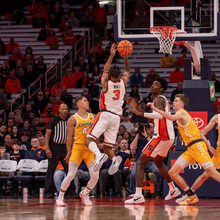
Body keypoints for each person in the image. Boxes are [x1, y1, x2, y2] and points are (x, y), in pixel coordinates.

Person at [149, 94, 220, 206]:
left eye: (176, 101)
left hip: (198, 147)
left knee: (212, 172)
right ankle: (190, 195)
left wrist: (155, 109)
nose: (173, 102)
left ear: (181, 104)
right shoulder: (182, 115)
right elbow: (197, 131)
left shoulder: (181, 112)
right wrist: (200, 142)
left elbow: (171, 118)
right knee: (172, 172)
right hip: (191, 148)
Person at [125, 77, 180, 204]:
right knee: (158, 162)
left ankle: (138, 195)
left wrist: (140, 114)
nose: (152, 85)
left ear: (161, 89)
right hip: (168, 137)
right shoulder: (159, 100)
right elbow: (154, 116)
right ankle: (172, 189)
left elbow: (159, 115)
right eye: (153, 83)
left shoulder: (158, 99)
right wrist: (137, 108)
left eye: (155, 84)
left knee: (139, 163)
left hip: (161, 136)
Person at [86, 43, 130, 176]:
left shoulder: (107, 84)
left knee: (89, 139)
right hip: (117, 118)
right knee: (107, 146)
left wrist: (111, 56)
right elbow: (127, 71)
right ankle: (115, 159)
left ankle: (98, 156)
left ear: (111, 75)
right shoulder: (123, 83)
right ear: (120, 76)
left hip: (105, 114)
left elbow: (105, 71)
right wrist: (126, 58)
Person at [56, 96, 99, 206]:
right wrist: (69, 152)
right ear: (79, 104)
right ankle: (60, 196)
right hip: (78, 149)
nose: (88, 102)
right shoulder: (73, 119)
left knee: (95, 176)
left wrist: (97, 149)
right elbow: (69, 137)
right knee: (70, 175)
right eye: (85, 100)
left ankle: (85, 193)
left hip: (89, 150)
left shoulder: (93, 116)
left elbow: (96, 134)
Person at [44, 104, 69, 198]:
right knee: (51, 169)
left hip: (65, 147)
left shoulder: (69, 120)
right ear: (59, 110)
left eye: (66, 109)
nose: (64, 110)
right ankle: (48, 191)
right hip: (54, 147)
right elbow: (47, 135)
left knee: (69, 170)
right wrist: (47, 148)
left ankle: (71, 191)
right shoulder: (54, 120)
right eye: (63, 109)